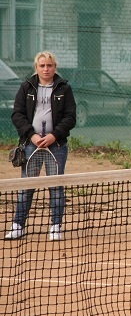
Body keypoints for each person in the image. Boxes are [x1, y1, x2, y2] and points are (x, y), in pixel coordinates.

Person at [5, 51, 77, 241]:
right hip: (31, 145)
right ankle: (18, 225)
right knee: (27, 186)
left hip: (57, 146)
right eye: (42, 66)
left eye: (50, 66)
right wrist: (32, 135)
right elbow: (17, 115)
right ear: (36, 68)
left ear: (55, 67)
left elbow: (70, 117)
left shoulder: (64, 88)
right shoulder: (26, 87)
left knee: (55, 186)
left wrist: (54, 136)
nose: (46, 69)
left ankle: (55, 227)